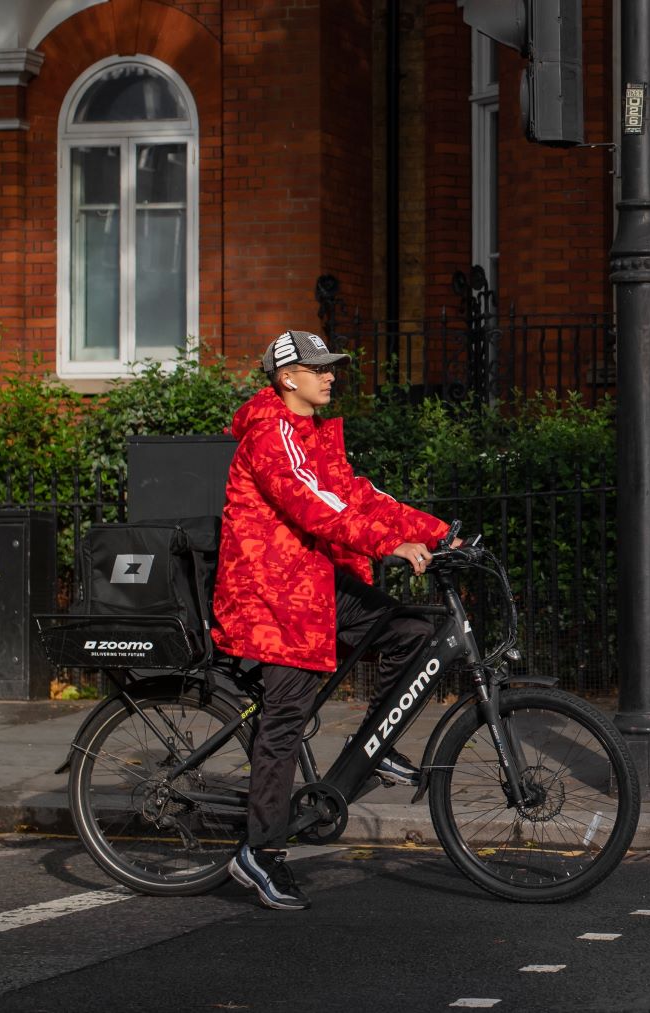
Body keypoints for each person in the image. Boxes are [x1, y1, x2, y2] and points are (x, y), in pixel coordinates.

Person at [213, 329, 452, 910]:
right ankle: (260, 853)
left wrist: (437, 532)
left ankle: (375, 741)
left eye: (332, 368)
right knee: (284, 724)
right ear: (286, 378)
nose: (330, 376)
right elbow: (315, 507)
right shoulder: (270, 436)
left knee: (414, 634)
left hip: (312, 586)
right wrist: (389, 547)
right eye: (319, 369)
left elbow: (357, 495)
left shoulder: (311, 434)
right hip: (273, 599)